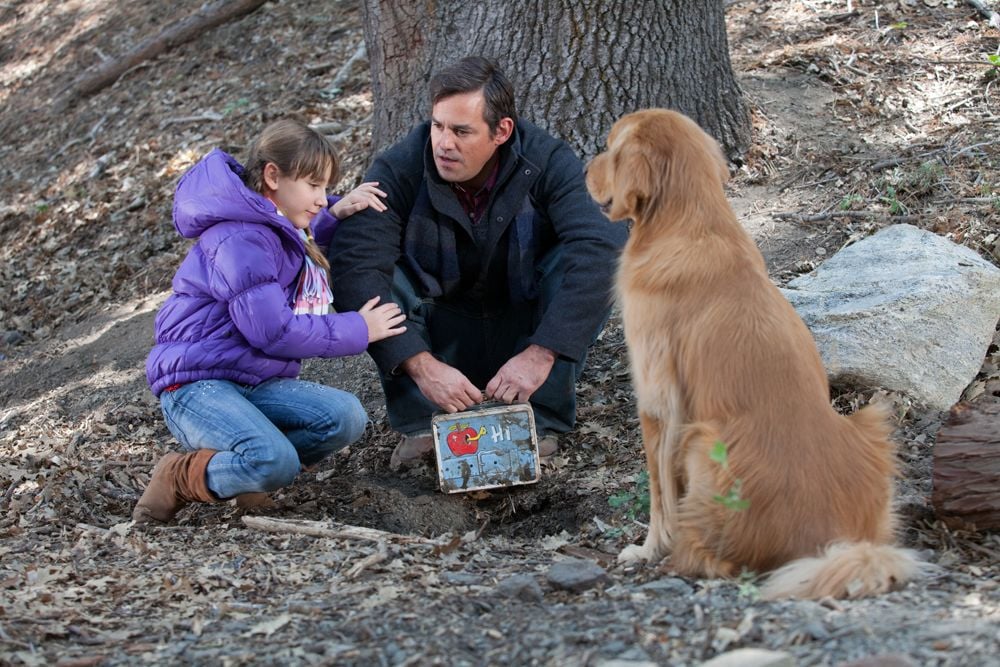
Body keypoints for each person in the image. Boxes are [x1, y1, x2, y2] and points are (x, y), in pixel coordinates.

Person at [328, 56, 628, 468]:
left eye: (461, 131)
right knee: (381, 276)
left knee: (580, 258)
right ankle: (423, 424)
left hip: (524, 329)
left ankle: (539, 419)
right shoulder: (401, 165)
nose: (443, 143)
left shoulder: (547, 160)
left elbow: (603, 245)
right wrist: (419, 364)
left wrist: (543, 352)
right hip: (436, 335)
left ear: (501, 131)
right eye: (438, 126)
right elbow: (355, 267)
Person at [135, 117, 405, 524]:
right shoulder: (239, 238)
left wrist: (335, 211)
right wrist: (358, 328)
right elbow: (272, 331)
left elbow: (292, 238)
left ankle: (249, 473)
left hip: (252, 381)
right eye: (314, 186)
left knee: (344, 418)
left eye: (325, 187)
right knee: (274, 461)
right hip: (196, 385)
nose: (321, 197)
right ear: (272, 176)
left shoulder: (272, 227)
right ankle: (180, 475)